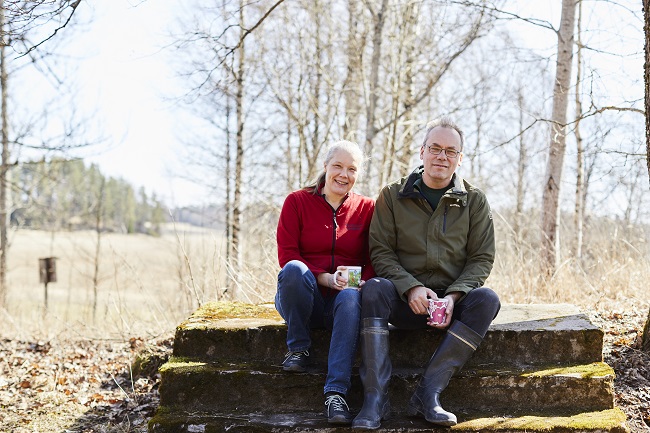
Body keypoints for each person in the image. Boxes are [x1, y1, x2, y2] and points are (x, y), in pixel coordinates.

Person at [351, 117, 501, 429]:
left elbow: (481, 258)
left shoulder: (474, 200)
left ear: (459, 158)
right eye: (435, 148)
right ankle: (375, 398)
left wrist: (453, 297)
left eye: (450, 151)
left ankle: (428, 394)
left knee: (487, 299)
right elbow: (381, 251)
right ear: (422, 152)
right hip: (404, 302)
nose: (442, 156)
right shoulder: (392, 195)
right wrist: (410, 287)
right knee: (374, 288)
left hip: (451, 307)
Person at [275, 140, 375, 424]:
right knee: (294, 269)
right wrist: (325, 277)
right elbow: (287, 254)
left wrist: (362, 281)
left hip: (343, 306)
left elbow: (376, 258)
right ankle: (299, 348)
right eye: (338, 166)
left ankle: (336, 394)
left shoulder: (368, 208)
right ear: (325, 167)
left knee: (351, 297)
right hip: (302, 297)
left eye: (352, 169)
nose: (344, 174)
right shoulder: (297, 201)